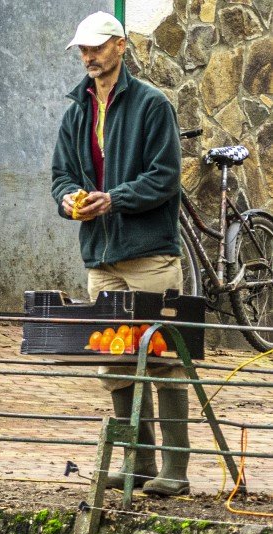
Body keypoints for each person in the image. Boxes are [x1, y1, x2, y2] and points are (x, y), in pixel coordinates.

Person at [51, 12, 189, 496]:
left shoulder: (152, 105)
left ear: (120, 46)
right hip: (100, 259)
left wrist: (115, 199)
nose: (88, 56)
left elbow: (166, 176)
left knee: (164, 357)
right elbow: (61, 177)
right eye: (82, 49)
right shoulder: (76, 112)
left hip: (148, 254)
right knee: (115, 361)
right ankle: (138, 463)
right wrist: (69, 201)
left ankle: (175, 469)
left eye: (96, 47)